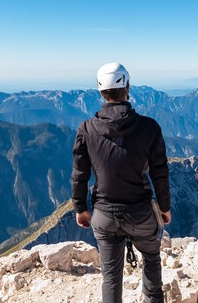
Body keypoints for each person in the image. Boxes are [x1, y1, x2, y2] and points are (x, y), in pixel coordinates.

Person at [71, 62, 172, 303]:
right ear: (127, 87)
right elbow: (160, 172)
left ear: (100, 91)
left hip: (104, 215)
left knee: (111, 277)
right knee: (150, 256)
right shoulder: (149, 127)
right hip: (141, 213)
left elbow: (79, 174)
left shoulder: (86, 129)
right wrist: (164, 208)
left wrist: (80, 208)